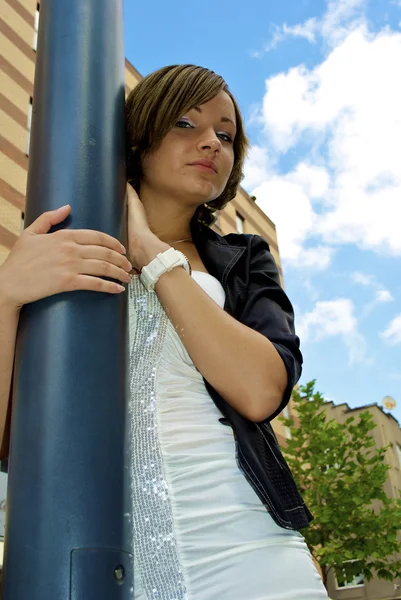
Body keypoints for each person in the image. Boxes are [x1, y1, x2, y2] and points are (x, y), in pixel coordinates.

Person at [0, 64, 328, 599]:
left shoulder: (244, 259)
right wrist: (6, 293)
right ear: (141, 135)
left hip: (250, 550)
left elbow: (260, 389)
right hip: (86, 558)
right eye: (184, 122)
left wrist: (153, 254)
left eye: (225, 135)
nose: (211, 143)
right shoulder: (60, 247)